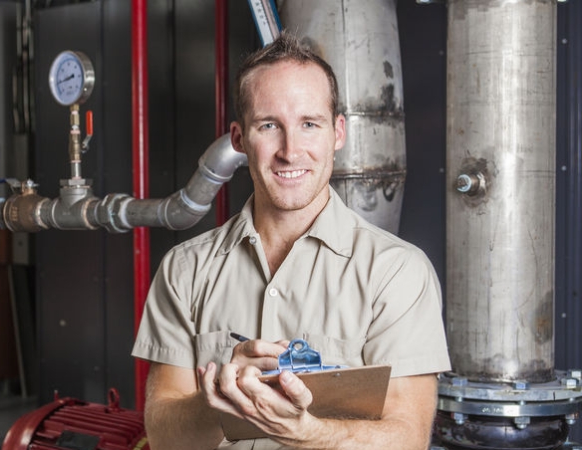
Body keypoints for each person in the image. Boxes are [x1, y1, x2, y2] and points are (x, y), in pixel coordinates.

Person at [131, 32, 451, 450]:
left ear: (338, 133)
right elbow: (163, 436)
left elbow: (406, 439)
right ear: (240, 140)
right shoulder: (184, 271)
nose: (290, 150)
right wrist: (224, 401)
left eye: (309, 124)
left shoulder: (398, 274)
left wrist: (305, 433)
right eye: (269, 126)